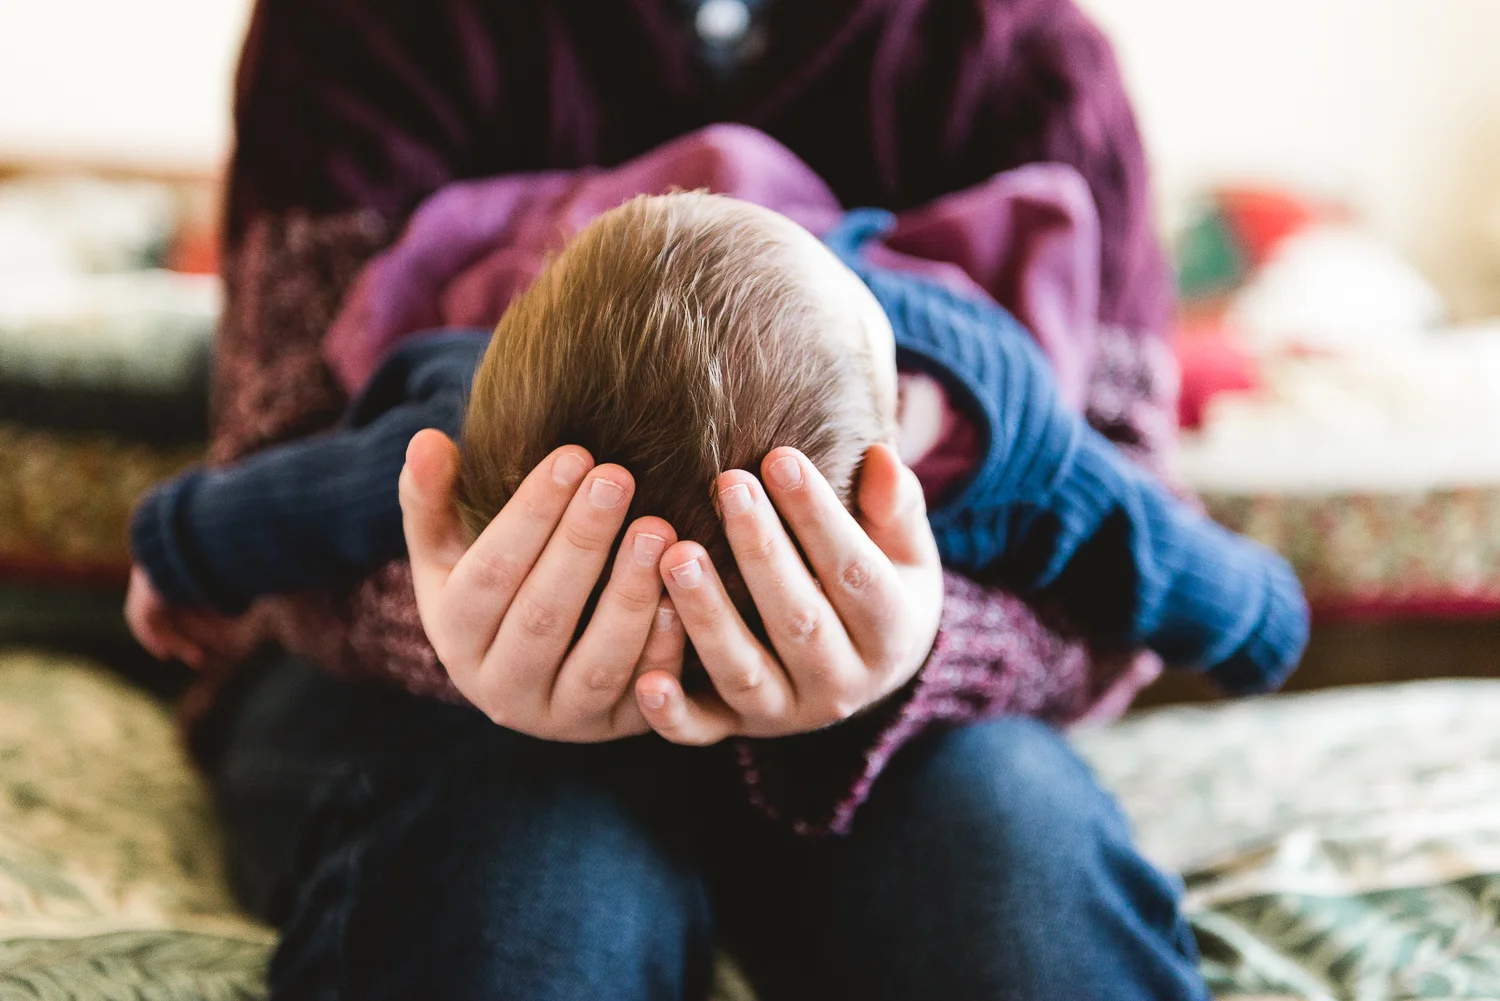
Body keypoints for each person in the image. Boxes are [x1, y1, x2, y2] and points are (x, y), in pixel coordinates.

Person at [129, 2, 1297, 998]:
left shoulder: (981, 407)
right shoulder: (461, 377)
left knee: (1024, 907)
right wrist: (451, 616)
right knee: (519, 896)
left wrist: (920, 644)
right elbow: (303, 471)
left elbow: (1131, 529)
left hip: (915, 725)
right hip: (422, 702)